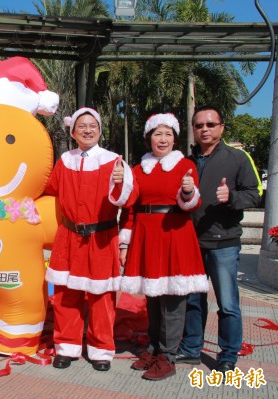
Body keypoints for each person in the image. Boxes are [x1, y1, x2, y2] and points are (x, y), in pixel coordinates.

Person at [45, 107, 137, 372]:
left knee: (101, 299)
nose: (87, 130)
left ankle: (101, 351)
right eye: (81, 126)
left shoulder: (114, 161)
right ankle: (66, 347)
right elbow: (49, 190)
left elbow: (129, 199)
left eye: (92, 125)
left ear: (99, 129)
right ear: (73, 132)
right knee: (65, 295)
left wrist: (122, 181)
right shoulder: (64, 160)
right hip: (69, 236)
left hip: (101, 238)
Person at [119, 113, 208, 381]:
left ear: (175, 139)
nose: (163, 139)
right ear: (149, 138)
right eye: (158, 133)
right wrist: (125, 242)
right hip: (146, 236)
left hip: (174, 234)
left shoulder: (185, 166)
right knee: (153, 298)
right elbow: (129, 208)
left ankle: (168, 357)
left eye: (168, 134)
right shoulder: (137, 169)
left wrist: (189, 191)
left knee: (173, 300)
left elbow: (191, 204)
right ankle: (154, 348)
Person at [177, 105, 262, 372]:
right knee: (192, 301)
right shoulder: (185, 161)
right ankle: (191, 348)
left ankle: (227, 355)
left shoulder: (237, 158)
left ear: (222, 127)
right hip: (192, 244)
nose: (205, 129)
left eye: (210, 124)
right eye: (199, 125)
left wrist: (232, 198)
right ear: (193, 129)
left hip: (223, 244)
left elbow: (255, 193)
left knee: (227, 304)